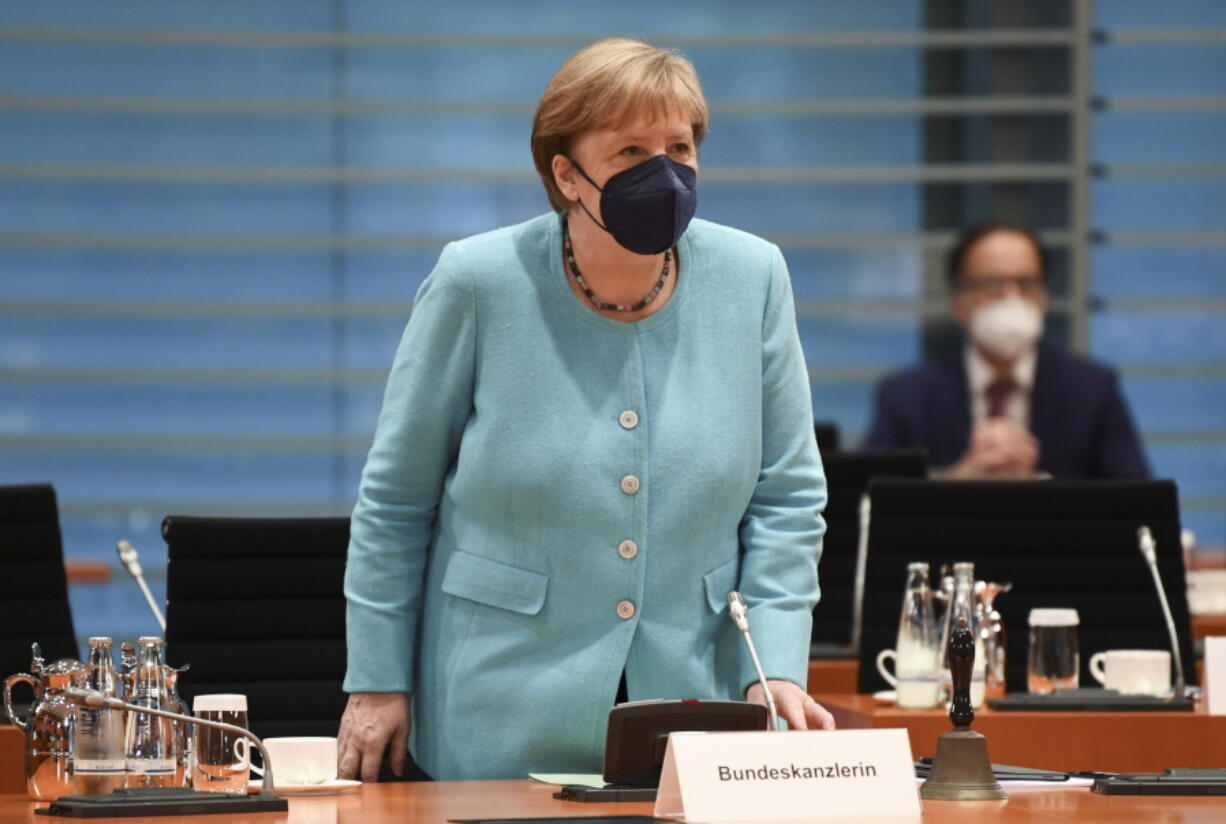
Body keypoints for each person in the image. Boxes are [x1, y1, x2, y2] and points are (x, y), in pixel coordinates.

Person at [337, 38, 833, 783]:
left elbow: (788, 498)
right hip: (498, 702)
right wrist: (376, 682)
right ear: (566, 173)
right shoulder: (477, 282)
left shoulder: (753, 276)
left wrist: (777, 664)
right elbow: (395, 502)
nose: (663, 171)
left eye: (680, 146)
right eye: (632, 149)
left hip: (696, 697)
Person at [866, 222, 1149, 479]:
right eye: (992, 285)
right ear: (957, 302)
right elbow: (867, 504)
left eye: (1026, 284)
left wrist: (1035, 489)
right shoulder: (906, 395)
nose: (1011, 298)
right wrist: (955, 481)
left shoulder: (1092, 389)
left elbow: (1137, 503)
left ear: (1044, 298)